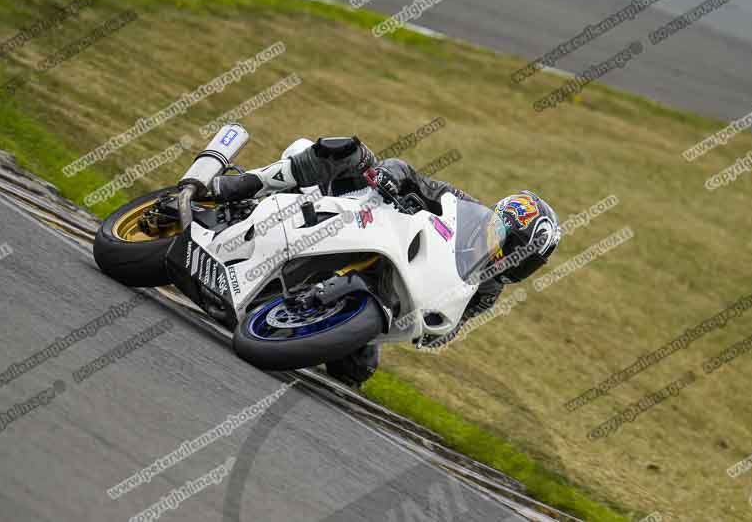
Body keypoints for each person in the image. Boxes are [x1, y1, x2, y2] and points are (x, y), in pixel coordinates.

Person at [212, 136, 560, 387]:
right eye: (511, 243)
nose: (512, 257)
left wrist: (434, 327)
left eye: (524, 257)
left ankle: (286, 308)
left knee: (356, 371)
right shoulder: (460, 202)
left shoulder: (488, 289)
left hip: (385, 285)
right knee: (350, 151)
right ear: (497, 220)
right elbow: (409, 173)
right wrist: (390, 175)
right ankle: (242, 185)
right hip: (360, 210)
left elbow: (442, 333)